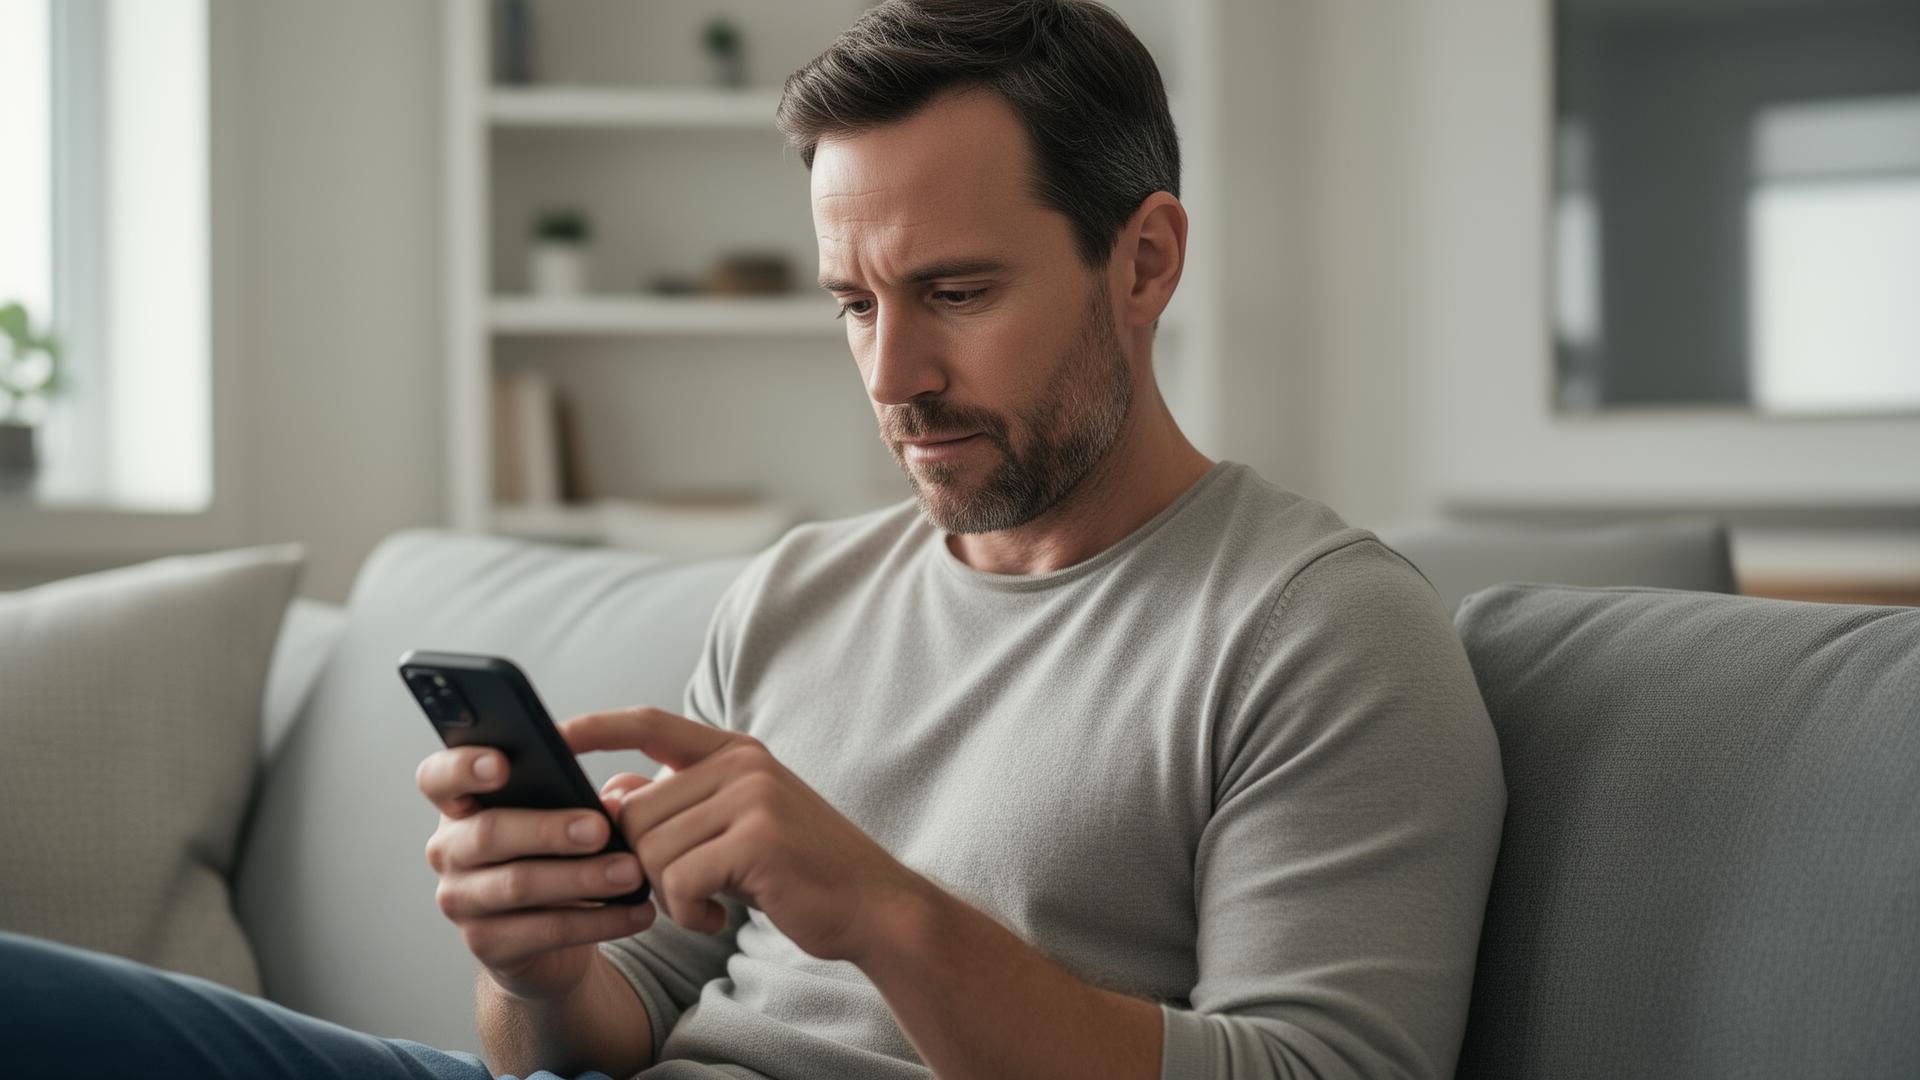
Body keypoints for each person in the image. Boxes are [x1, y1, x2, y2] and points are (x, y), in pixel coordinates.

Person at [0, 2, 1505, 1078]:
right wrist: (530, 972)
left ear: (1146, 260)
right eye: (855, 303)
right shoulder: (797, 593)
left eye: (959, 293)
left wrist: (883, 913)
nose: (892, 375)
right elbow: (613, 1024)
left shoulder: (1319, 629)